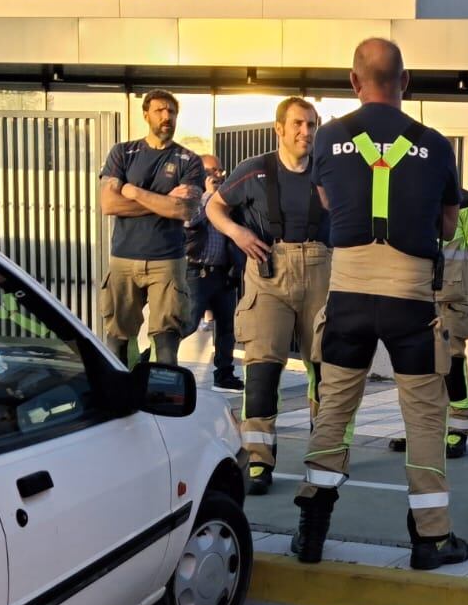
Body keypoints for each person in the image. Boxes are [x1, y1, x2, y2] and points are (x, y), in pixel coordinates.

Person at [293, 38, 468, 571]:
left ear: (354, 81)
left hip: (346, 293)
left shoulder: (327, 137)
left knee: (333, 415)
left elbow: (327, 201)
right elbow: (446, 224)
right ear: (405, 82)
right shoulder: (436, 145)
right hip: (412, 299)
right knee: (423, 420)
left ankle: (312, 533)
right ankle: (431, 539)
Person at [206, 98, 330, 496]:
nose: (305, 132)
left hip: (322, 271)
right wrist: (238, 234)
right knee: (262, 368)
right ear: (279, 128)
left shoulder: (329, 171)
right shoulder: (255, 170)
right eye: (297, 124)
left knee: (326, 368)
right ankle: (258, 459)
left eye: (311, 125)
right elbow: (215, 207)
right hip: (268, 274)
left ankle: (327, 450)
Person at [97, 90, 203, 366]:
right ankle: (122, 395)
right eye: (160, 111)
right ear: (146, 115)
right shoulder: (123, 152)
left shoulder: (189, 160)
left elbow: (184, 209)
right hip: (124, 258)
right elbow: (108, 204)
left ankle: (161, 398)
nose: (166, 117)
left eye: (171, 111)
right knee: (117, 337)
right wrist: (165, 201)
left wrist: (131, 190)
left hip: (167, 260)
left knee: (167, 339)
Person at [389, 186, 468, 459]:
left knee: (452, 361)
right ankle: (424, 432)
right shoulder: (404, 196)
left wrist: (462, 282)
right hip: (413, 295)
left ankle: (458, 430)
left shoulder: (465, 202)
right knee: (417, 369)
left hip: (449, 299)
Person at [182, 154, 244, 392]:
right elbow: (189, 221)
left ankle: (224, 375)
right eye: (211, 171)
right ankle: (149, 360)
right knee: (187, 324)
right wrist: (209, 195)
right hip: (197, 272)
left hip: (223, 273)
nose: (217, 176)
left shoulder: (227, 197)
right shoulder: (191, 194)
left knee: (227, 327)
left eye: (219, 171)